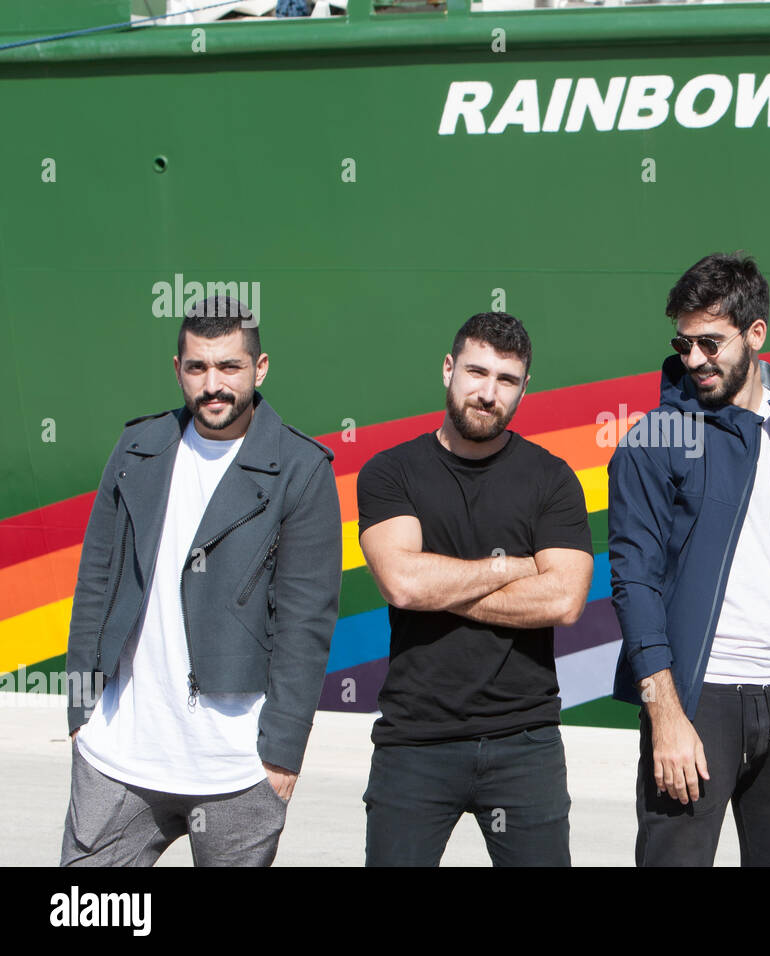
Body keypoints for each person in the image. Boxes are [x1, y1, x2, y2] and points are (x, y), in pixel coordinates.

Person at [61, 295, 342, 866]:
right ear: (178, 370)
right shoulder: (137, 447)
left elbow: (305, 621)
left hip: (236, 767)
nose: (213, 385)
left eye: (229, 367)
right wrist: (79, 715)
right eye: (198, 368)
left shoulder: (301, 468)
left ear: (259, 369)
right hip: (118, 755)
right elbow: (97, 580)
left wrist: (282, 757)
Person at [608, 252, 770, 867]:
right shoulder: (652, 440)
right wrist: (665, 714)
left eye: (710, 343)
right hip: (697, 702)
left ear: (757, 333)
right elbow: (634, 582)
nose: (694, 360)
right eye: (683, 344)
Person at [357, 312, 593, 867]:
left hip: (525, 741)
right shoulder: (391, 472)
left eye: (507, 380)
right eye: (476, 372)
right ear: (448, 369)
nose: (488, 394)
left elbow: (564, 599)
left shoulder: (551, 479)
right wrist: (508, 568)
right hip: (415, 740)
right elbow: (404, 583)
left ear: (524, 388)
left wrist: (444, 582)